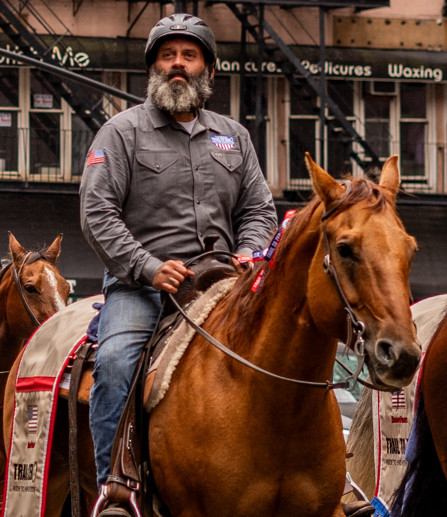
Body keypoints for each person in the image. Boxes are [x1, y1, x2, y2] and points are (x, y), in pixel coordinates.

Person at [79, 11, 278, 505]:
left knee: (285, 348)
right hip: (143, 288)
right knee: (116, 361)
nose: (177, 64)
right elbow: (96, 212)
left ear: (208, 70)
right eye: (167, 55)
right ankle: (116, 488)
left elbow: (259, 208)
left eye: (189, 55)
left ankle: (330, 476)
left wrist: (250, 250)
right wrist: (149, 266)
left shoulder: (235, 136)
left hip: (223, 284)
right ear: (154, 68)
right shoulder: (120, 132)